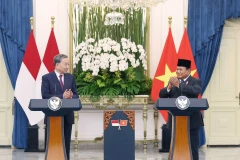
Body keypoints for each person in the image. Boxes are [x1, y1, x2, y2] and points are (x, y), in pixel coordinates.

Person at [159, 59, 204, 160]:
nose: (178, 71)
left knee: (193, 147)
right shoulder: (173, 81)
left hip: (192, 121)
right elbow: (162, 94)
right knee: (175, 146)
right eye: (177, 69)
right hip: (175, 121)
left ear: (188, 71)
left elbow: (195, 91)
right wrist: (169, 87)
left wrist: (179, 85)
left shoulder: (195, 81)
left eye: (180, 69)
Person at [41, 54, 79, 160]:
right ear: (57, 65)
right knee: (52, 143)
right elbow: (45, 96)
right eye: (65, 64)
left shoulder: (71, 78)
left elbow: (76, 95)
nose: (67, 66)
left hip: (67, 117)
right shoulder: (47, 78)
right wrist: (61, 96)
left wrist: (71, 96)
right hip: (52, 117)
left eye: (68, 64)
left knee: (66, 143)